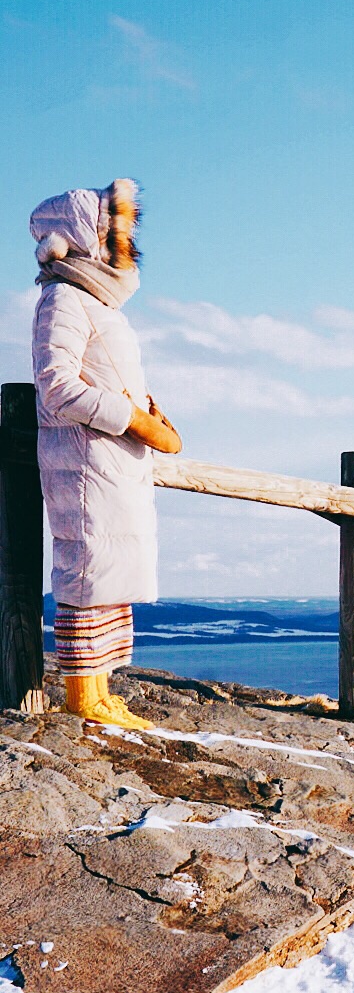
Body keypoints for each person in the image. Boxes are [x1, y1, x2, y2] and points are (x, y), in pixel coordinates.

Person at [30, 179, 182, 730]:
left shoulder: (94, 300)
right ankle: (81, 697)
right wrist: (136, 421)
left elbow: (107, 377)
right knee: (87, 571)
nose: (125, 244)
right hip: (87, 461)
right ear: (85, 235)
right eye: (113, 232)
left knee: (110, 572)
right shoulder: (63, 297)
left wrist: (151, 413)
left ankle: (100, 691)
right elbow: (56, 386)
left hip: (111, 461)